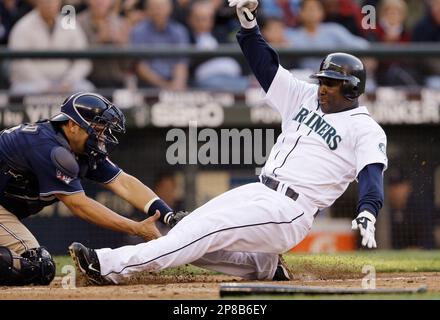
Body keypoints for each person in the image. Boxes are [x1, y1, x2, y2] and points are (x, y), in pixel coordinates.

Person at [69, 0, 388, 286]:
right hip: (260, 190)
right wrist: (250, 26)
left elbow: (372, 173)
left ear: (351, 89)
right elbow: (266, 66)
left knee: (201, 232)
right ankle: (264, 267)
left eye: (331, 84)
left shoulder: (364, 128)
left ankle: (106, 265)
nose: (322, 88)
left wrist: (369, 210)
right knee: (187, 232)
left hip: (292, 209)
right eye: (322, 81)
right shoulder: (305, 95)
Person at [0, 92, 184, 286]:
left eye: (104, 130)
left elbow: (124, 183)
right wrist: (136, 228)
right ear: (72, 126)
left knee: (38, 268)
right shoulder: (48, 147)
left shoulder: (80, 149)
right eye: (97, 129)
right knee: (37, 266)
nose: (102, 136)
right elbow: (79, 205)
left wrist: (168, 216)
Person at [7, 0, 94, 95]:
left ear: (59, 3)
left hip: (64, 83)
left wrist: (69, 81)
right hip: (31, 83)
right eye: (45, 1)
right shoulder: (23, 26)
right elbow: (20, 64)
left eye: (53, 1)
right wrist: (43, 84)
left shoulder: (69, 23)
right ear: (38, 2)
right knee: (22, 91)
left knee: (87, 89)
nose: (49, 4)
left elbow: (83, 60)